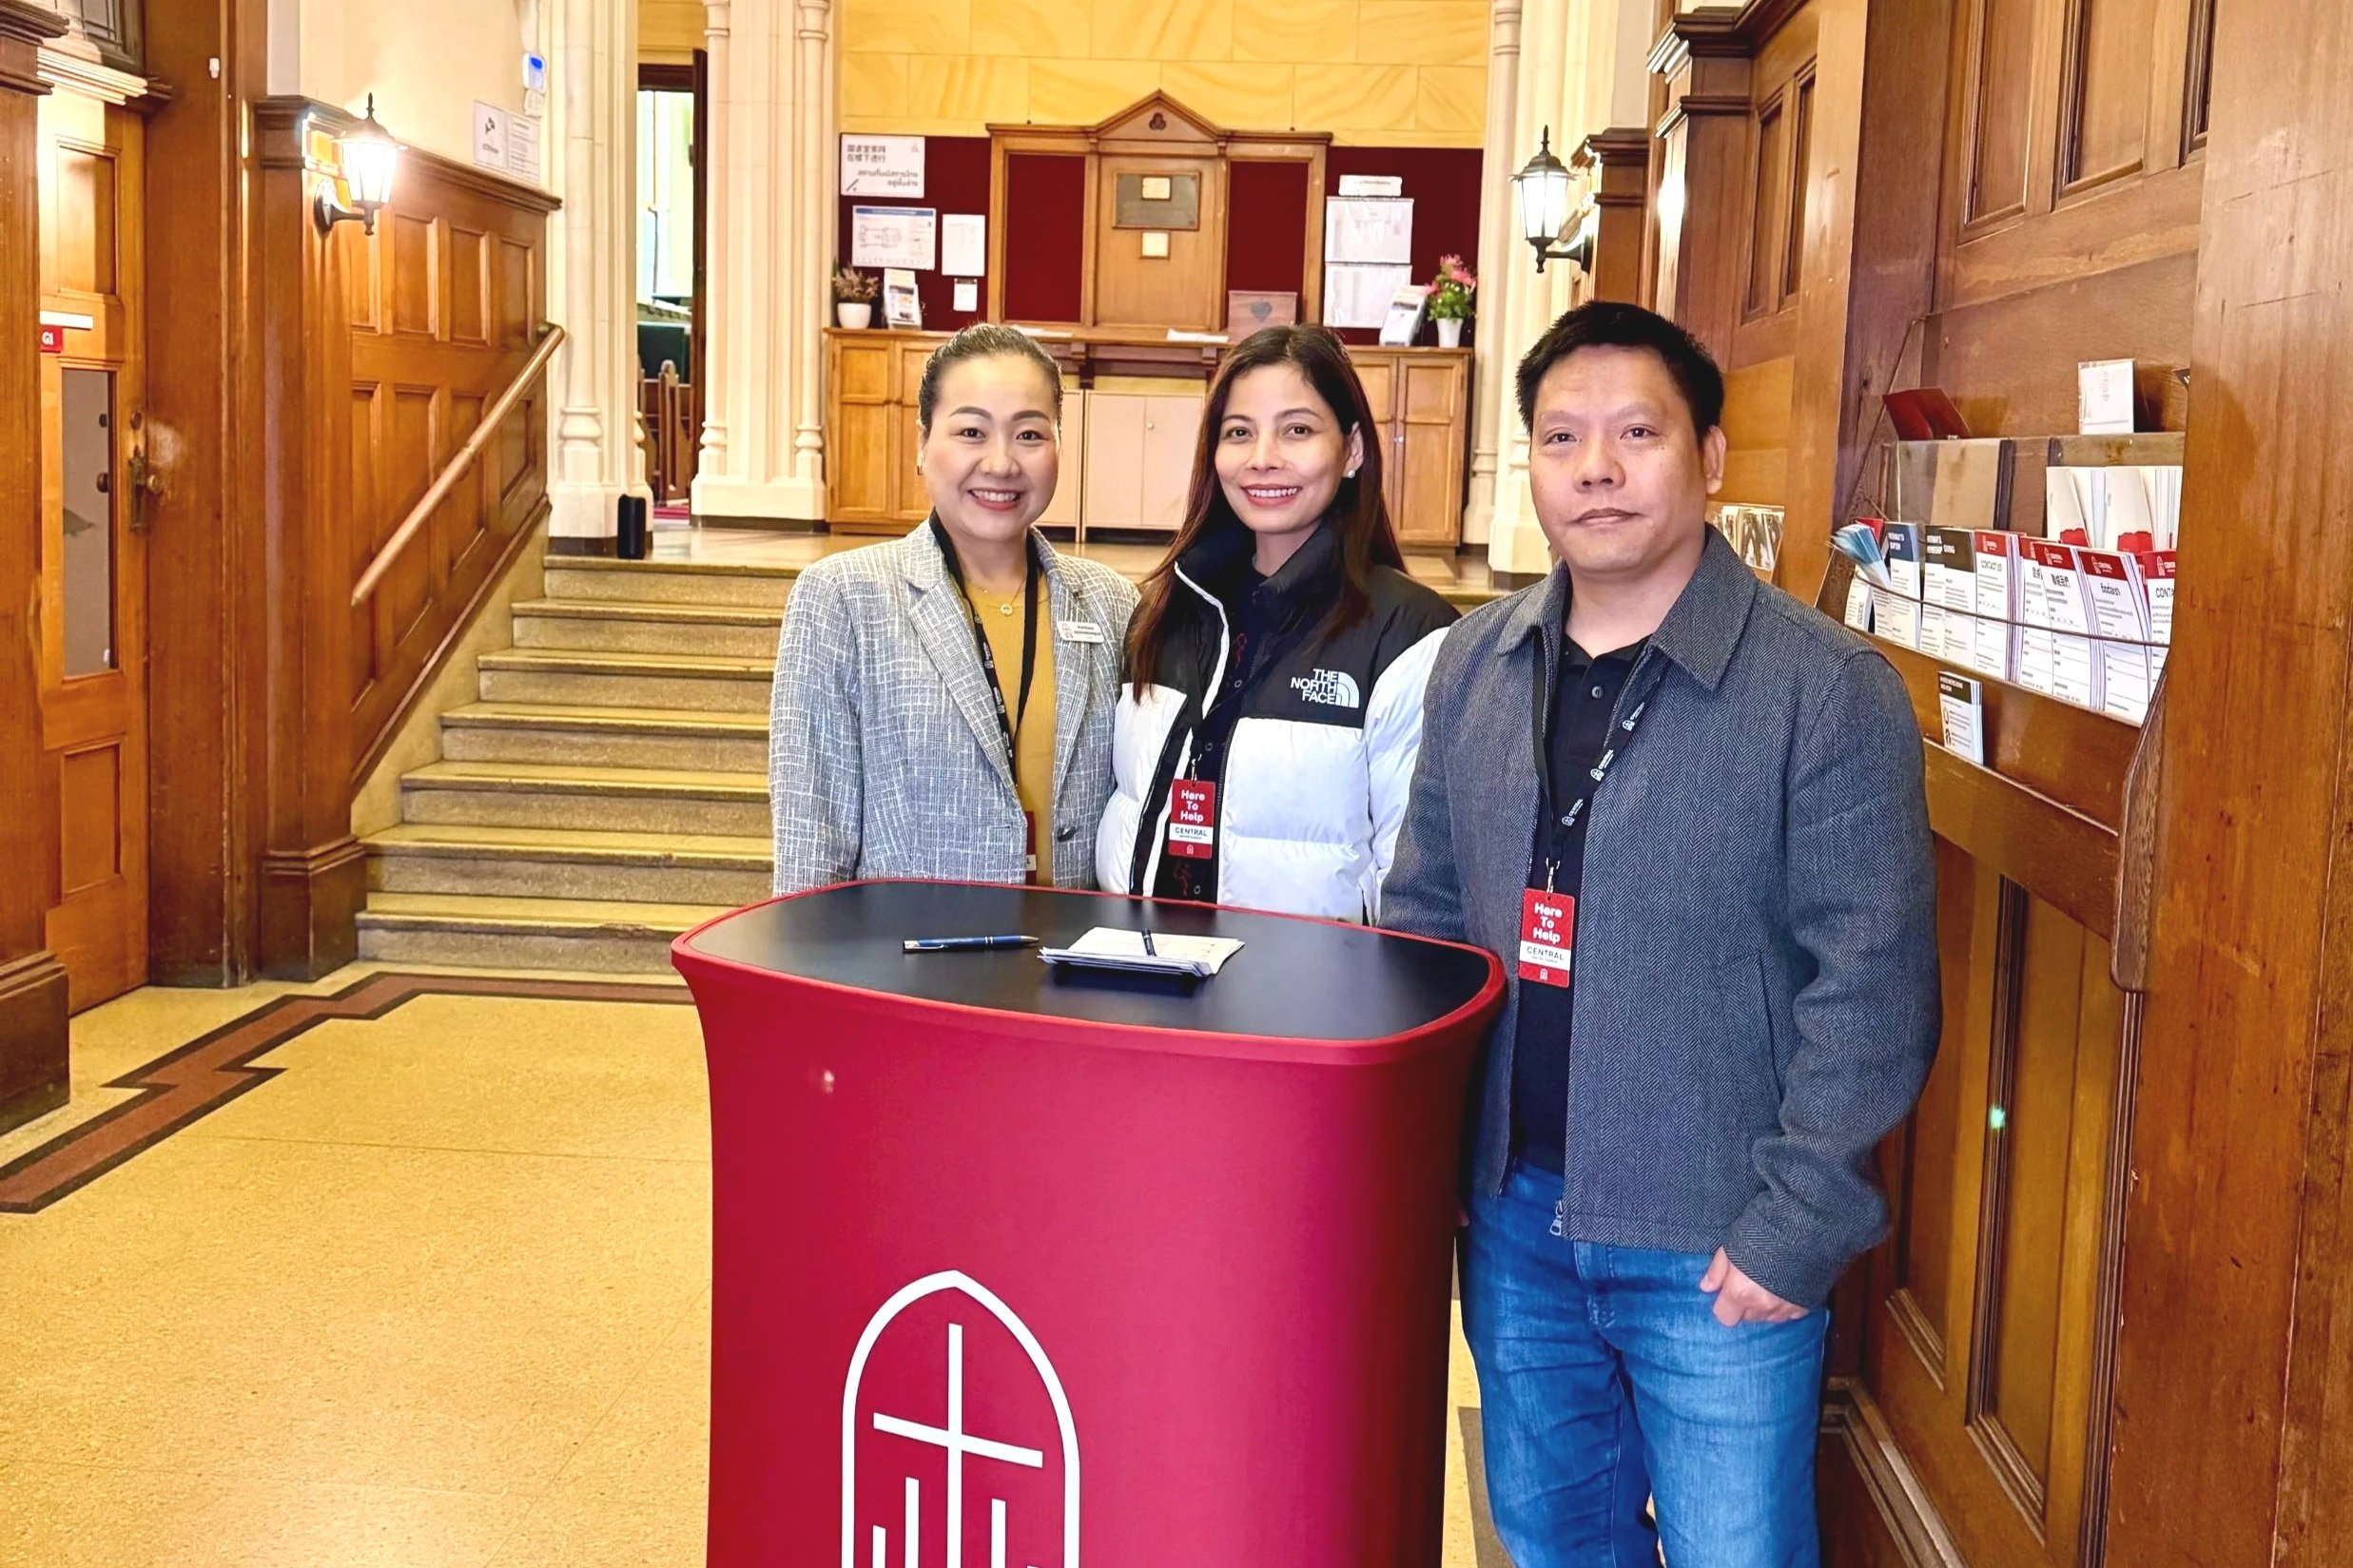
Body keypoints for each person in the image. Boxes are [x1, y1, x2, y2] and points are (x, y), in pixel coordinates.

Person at [1383, 300, 1938, 1566]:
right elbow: (1424, 926)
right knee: (1549, 1539)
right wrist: (1428, 1172)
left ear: (1711, 456)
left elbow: (1870, 985)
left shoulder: (1821, 689)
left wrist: (1792, 1226)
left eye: (1636, 432)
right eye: (1562, 437)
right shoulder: (1475, 662)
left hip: (1717, 1240)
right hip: (1517, 1219)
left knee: (1732, 1549)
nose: (1595, 467)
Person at [1095, 324, 1457, 922]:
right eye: (1239, 433)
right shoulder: (1168, 608)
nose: (1263, 458)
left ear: (1353, 451)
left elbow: (1416, 885)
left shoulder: (1410, 634)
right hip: (1145, 980)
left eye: (1298, 430)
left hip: (1305, 1000)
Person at [769, 323, 1138, 894]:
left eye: (1030, 435)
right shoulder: (843, 599)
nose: (1000, 463)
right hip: (905, 967)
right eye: (971, 431)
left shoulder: (1113, 603)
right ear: (922, 442)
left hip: (1069, 966)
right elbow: (810, 839)